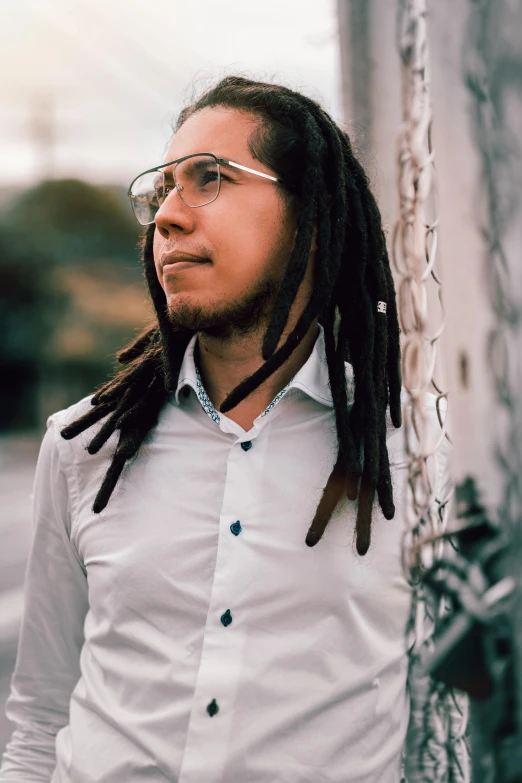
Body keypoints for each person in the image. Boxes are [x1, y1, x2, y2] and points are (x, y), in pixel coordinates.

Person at [0, 76, 451, 782]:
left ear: (309, 213)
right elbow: (39, 712)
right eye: (162, 190)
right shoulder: (83, 445)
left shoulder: (417, 452)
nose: (167, 218)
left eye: (209, 178)